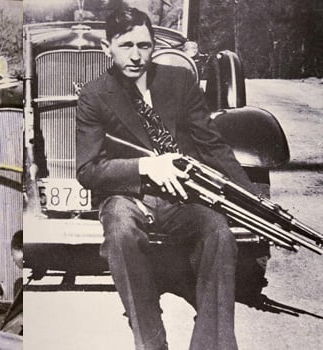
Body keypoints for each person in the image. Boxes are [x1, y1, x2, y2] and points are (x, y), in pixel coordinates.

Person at [76, 7, 257, 350]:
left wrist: (254, 203)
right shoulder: (94, 95)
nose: (136, 55)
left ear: (154, 46)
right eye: (126, 45)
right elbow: (88, 170)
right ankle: (152, 342)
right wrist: (145, 167)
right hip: (128, 197)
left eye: (144, 46)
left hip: (181, 200)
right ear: (107, 47)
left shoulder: (179, 81)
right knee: (120, 229)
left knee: (218, 232)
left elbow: (213, 146)